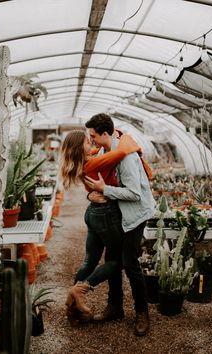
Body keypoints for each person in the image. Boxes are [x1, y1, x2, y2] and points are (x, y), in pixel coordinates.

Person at [84, 113, 156, 336]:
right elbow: (99, 184)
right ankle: (115, 307)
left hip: (135, 215)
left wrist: (103, 190)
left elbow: (134, 194)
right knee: (112, 259)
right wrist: (93, 195)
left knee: (129, 262)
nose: (91, 140)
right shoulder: (106, 152)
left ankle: (142, 313)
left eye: (93, 136)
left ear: (105, 133)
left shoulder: (125, 157)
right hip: (119, 214)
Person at [60, 129, 141, 323]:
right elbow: (121, 152)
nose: (93, 144)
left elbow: (103, 150)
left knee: (89, 261)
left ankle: (72, 308)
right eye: (88, 142)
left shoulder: (83, 162)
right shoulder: (94, 162)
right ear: (81, 148)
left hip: (93, 212)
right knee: (118, 261)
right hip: (106, 215)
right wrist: (127, 139)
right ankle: (80, 290)